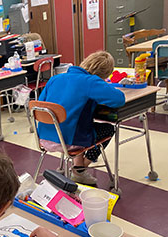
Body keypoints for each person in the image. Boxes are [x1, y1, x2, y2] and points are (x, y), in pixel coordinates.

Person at [38, 51, 125, 185]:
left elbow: (41, 103)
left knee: (78, 123)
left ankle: (78, 166)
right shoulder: (90, 82)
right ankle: (79, 170)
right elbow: (119, 99)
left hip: (45, 138)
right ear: (104, 74)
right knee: (107, 128)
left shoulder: (55, 78)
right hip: (70, 141)